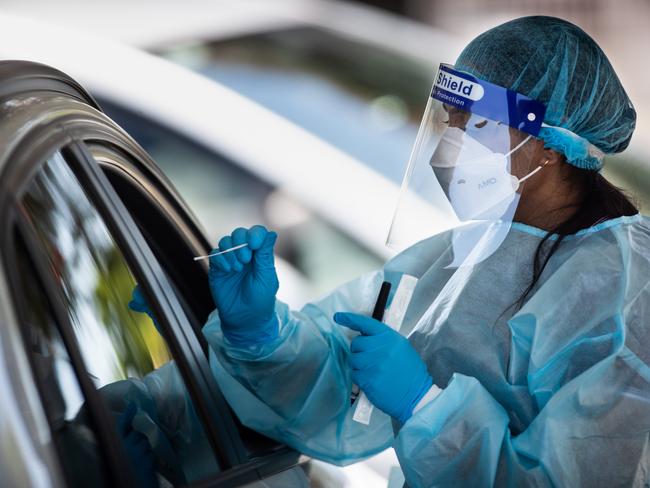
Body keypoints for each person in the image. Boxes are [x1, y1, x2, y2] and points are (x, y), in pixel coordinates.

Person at [200, 16, 650, 487]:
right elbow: (346, 386)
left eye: (474, 124)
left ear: (550, 146)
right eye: (450, 121)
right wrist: (258, 335)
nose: (450, 145)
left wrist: (423, 406)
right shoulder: (469, 256)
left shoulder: (626, 293)